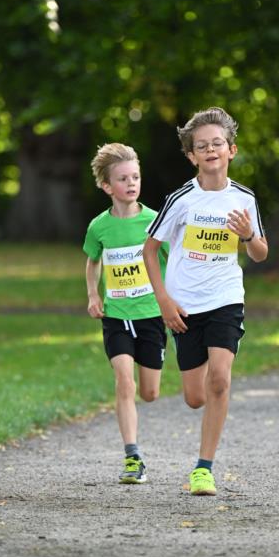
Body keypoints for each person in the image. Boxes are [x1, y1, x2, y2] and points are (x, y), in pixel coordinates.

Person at [143, 107, 268, 496]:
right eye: (202, 146)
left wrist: (248, 236)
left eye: (217, 143)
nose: (211, 150)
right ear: (191, 156)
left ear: (232, 150)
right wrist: (163, 301)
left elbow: (261, 253)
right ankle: (203, 452)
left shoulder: (244, 198)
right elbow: (150, 250)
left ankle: (204, 468)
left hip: (226, 298)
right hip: (184, 306)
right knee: (195, 397)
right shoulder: (181, 199)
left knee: (220, 379)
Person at [83, 143, 168, 484]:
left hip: (151, 315)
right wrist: (93, 294)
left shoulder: (155, 221)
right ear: (107, 186)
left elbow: (174, 260)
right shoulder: (99, 227)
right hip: (116, 316)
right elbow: (92, 262)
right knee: (124, 380)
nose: (131, 183)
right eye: (123, 179)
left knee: (149, 392)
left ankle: (134, 449)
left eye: (135, 177)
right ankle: (133, 456)